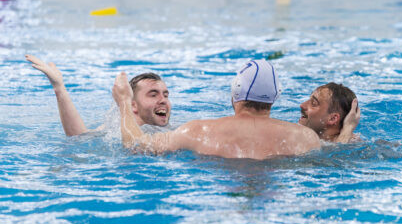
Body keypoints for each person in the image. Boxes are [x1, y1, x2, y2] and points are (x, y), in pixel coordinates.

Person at [112, 60, 356, 160]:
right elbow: (337, 157)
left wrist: (124, 102)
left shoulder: (198, 130)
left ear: (235, 93)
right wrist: (345, 132)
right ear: (274, 97)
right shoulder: (303, 137)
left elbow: (136, 146)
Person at [26, 54, 171, 136]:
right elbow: (79, 138)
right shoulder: (114, 132)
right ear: (132, 104)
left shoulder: (174, 132)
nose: (163, 100)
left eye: (165, 95)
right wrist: (59, 88)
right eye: (153, 95)